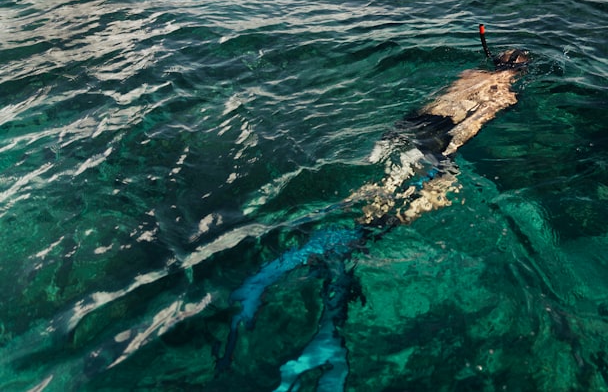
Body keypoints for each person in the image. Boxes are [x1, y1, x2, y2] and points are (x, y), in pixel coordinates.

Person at [220, 26, 529, 392]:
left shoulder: (468, 74)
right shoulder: (505, 95)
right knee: (382, 222)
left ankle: (269, 276)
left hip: (402, 130)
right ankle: (328, 312)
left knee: (365, 203)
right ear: (518, 72)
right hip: (435, 144)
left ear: (494, 61)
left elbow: (438, 106)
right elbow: (467, 127)